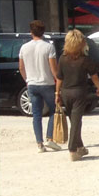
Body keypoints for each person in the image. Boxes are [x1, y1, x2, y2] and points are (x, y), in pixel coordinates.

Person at [55, 29, 99, 161]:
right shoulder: (84, 59)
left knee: (74, 120)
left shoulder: (63, 59)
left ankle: (80, 146)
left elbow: (59, 77)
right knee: (76, 122)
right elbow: (94, 76)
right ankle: (72, 149)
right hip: (79, 92)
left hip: (66, 92)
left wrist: (57, 93)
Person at [19, 20, 62, 152]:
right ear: (43, 32)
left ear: (31, 32)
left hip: (32, 83)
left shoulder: (24, 47)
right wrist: (59, 83)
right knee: (53, 110)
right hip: (47, 83)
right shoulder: (48, 47)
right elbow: (53, 69)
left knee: (36, 114)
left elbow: (21, 67)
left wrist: (27, 79)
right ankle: (50, 138)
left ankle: (39, 144)